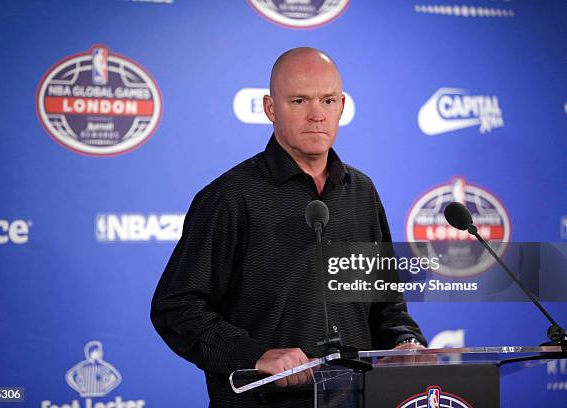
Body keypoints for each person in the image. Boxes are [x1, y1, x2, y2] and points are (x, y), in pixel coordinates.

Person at [150, 47, 426, 407]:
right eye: (299, 101)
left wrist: (405, 343)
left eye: (328, 101)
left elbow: (387, 304)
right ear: (270, 108)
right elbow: (176, 307)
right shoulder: (231, 196)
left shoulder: (362, 192)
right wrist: (254, 354)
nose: (316, 115)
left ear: (341, 106)